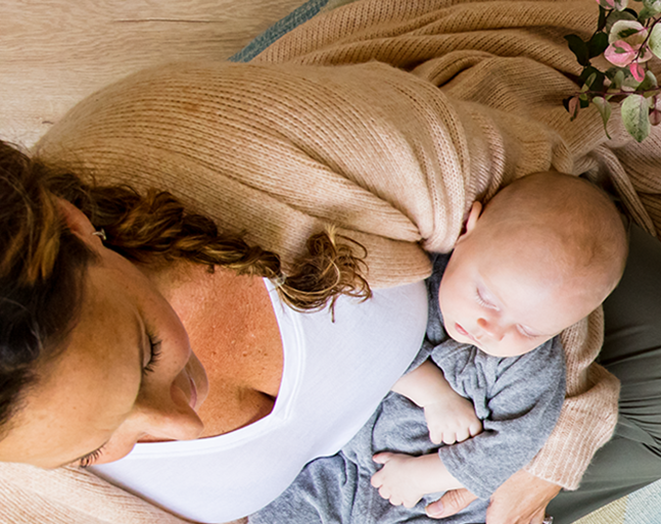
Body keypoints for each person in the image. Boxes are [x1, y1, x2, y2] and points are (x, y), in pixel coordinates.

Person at [0, 1, 661, 523]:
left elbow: (524, 177)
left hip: (476, 305)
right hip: (361, 499)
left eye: (145, 350)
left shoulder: (216, 138)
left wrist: (552, 446)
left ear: (77, 229)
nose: (179, 418)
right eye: (92, 447)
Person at [249, 173, 623, 523]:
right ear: (468, 230)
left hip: (432, 498)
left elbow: (515, 442)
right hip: (334, 461)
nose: (490, 330)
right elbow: (361, 341)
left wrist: (422, 476)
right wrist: (435, 395)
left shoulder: (532, 367)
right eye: (487, 298)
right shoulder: (413, 278)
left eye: (527, 328)